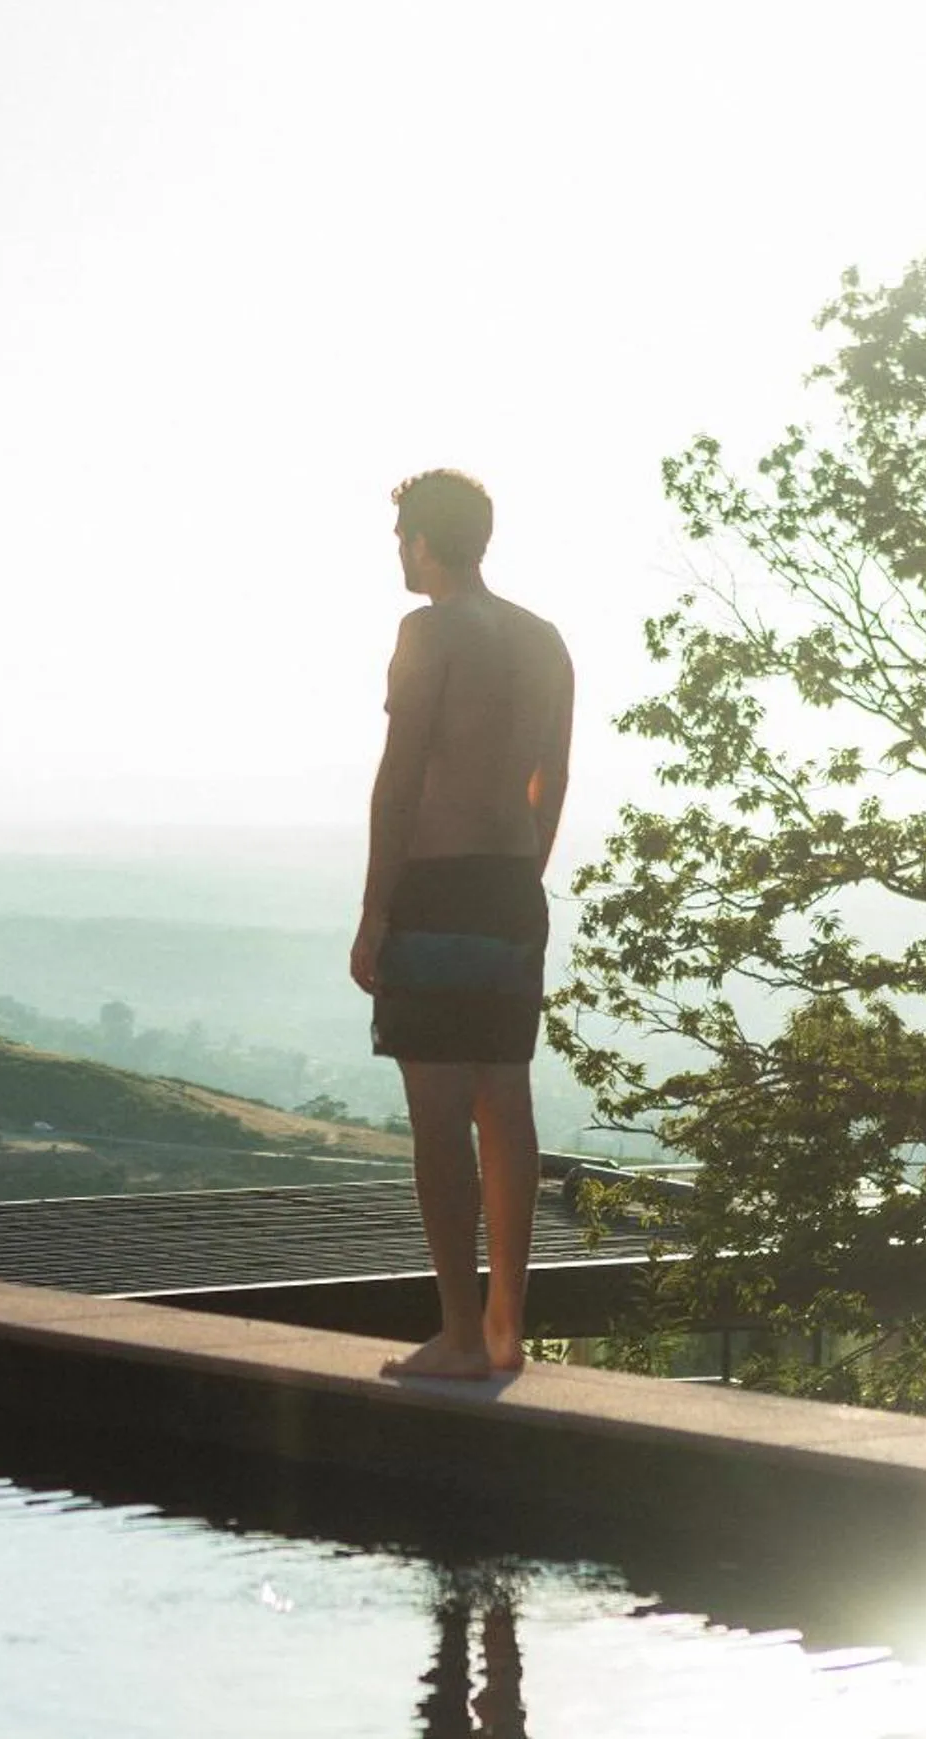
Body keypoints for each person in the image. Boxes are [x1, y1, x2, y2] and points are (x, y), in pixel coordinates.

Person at [352, 469, 574, 1379]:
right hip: (513, 883)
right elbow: (551, 778)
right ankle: (505, 1329)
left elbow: (400, 776)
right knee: (505, 1102)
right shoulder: (544, 640)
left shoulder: (429, 631)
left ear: (423, 542)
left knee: (439, 1114)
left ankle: (455, 1332)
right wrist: (525, 868)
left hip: (438, 885)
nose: (397, 550)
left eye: (401, 533)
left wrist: (375, 907)